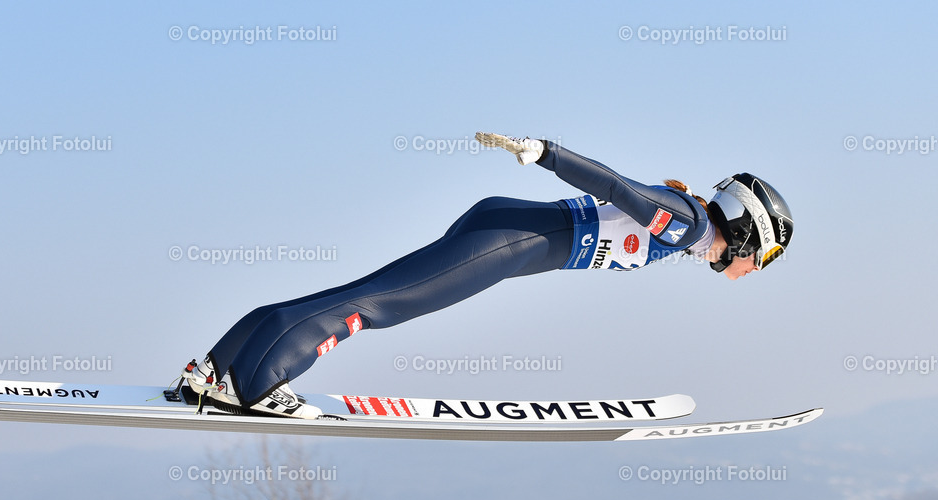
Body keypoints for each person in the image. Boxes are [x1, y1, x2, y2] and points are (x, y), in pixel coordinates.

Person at [177, 132, 794, 418]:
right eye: (759, 262)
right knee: (375, 305)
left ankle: (219, 368)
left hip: (507, 230)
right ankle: (259, 382)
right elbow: (615, 186)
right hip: (506, 244)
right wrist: (549, 154)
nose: (746, 275)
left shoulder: (686, 221)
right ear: (746, 233)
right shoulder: (688, 225)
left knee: (361, 293)